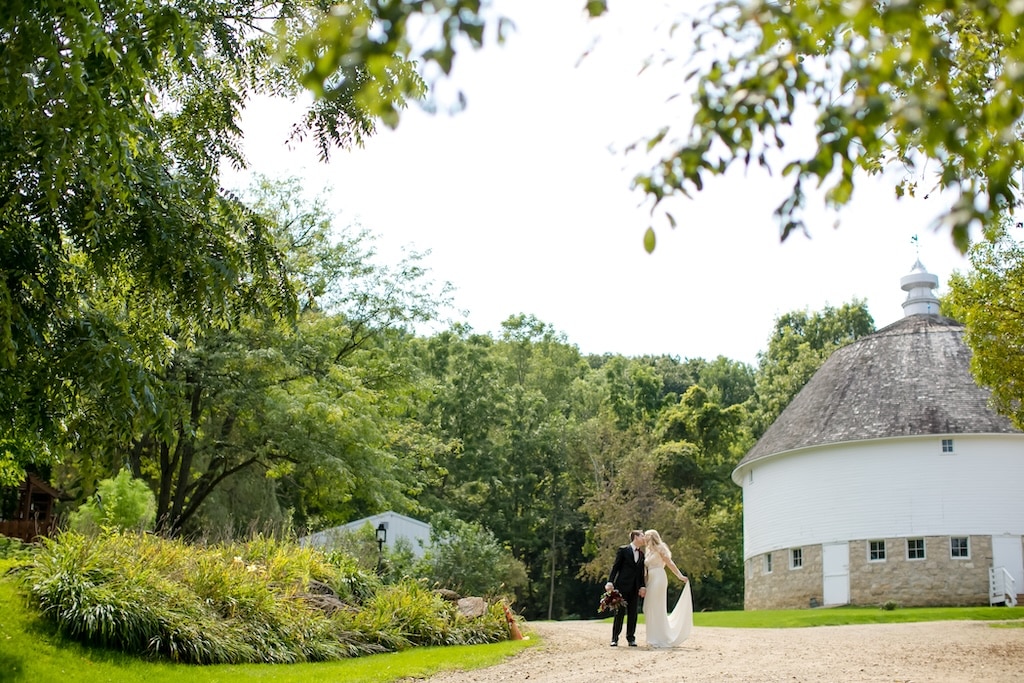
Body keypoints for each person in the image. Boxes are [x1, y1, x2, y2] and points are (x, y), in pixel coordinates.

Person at [642, 529, 693, 648]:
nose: (644, 538)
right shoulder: (647, 551)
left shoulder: (660, 547)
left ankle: (659, 638)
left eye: (646, 536)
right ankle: (652, 636)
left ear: (651, 537)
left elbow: (669, 563)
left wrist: (679, 575)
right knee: (647, 607)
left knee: (656, 607)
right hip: (651, 579)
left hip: (659, 577)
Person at [604, 529, 646, 647]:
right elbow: (616, 567)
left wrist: (642, 586)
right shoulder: (623, 550)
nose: (644, 538)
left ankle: (631, 638)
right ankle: (614, 638)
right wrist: (610, 582)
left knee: (633, 613)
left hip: (634, 587)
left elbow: (641, 572)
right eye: (642, 536)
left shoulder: (642, 554)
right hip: (621, 586)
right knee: (619, 613)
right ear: (636, 537)